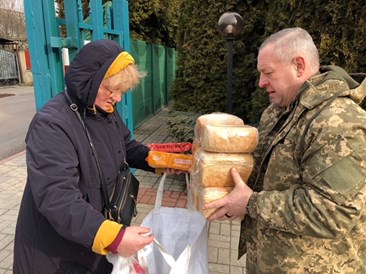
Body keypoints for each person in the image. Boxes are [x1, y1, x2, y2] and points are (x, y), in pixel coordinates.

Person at [204, 27, 366, 273]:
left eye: (267, 73)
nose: (261, 83)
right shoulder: (277, 111)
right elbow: (261, 174)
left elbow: (332, 212)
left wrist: (250, 204)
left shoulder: (337, 120)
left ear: (298, 66)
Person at [13, 39, 171, 273]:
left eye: (121, 91)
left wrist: (159, 161)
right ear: (90, 81)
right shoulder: (52, 124)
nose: (117, 98)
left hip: (90, 243)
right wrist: (115, 238)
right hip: (55, 255)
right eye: (111, 89)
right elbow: (58, 198)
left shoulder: (103, 110)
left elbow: (125, 145)